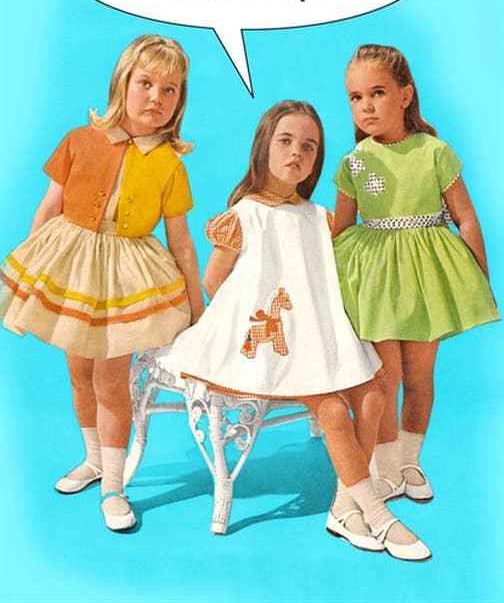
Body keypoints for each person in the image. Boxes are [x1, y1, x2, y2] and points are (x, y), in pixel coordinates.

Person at [151, 100, 431, 560]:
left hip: (314, 333)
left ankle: (344, 506)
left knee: (375, 395)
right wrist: (260, 317)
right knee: (335, 413)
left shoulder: (318, 217)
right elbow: (214, 281)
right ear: (264, 146)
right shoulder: (243, 215)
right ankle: (377, 514)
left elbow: (326, 276)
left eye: (309, 146)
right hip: (264, 337)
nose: (296, 153)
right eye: (286, 141)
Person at [0, 35, 205, 531]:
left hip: (126, 276)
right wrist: (32, 276)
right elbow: (50, 206)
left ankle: (114, 485)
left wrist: (198, 306)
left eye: (171, 89)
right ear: (122, 83)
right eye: (146, 83)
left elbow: (181, 242)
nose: (156, 97)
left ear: (180, 100)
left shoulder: (169, 164)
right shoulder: (78, 140)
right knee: (78, 372)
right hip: (72, 264)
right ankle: (93, 458)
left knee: (111, 379)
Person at [332, 44, 499, 503]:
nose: (365, 106)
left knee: (419, 375)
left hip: (426, 278)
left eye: (377, 93)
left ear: (405, 95)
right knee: (384, 379)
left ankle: (410, 460)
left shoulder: (434, 152)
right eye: (355, 97)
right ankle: (384, 468)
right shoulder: (355, 162)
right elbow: (340, 229)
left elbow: (465, 218)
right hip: (378, 281)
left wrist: (478, 278)